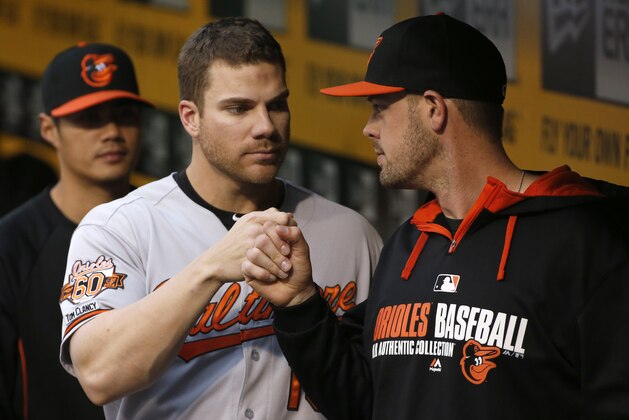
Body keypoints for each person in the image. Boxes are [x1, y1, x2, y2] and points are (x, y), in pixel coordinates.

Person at [241, 14, 629, 420]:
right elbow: (360, 401)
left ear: (433, 109)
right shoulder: (409, 245)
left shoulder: (587, 242)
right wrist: (300, 302)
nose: (368, 129)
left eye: (379, 108)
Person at [57, 17, 382, 420]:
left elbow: (380, 393)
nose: (265, 127)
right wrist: (209, 269)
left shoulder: (351, 234)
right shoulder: (119, 228)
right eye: (239, 108)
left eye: (277, 105)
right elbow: (99, 376)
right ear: (190, 117)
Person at [0, 42, 152, 419]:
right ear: (49, 129)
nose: (112, 131)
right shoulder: (11, 245)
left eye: (124, 114)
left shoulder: (169, 223)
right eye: (90, 118)